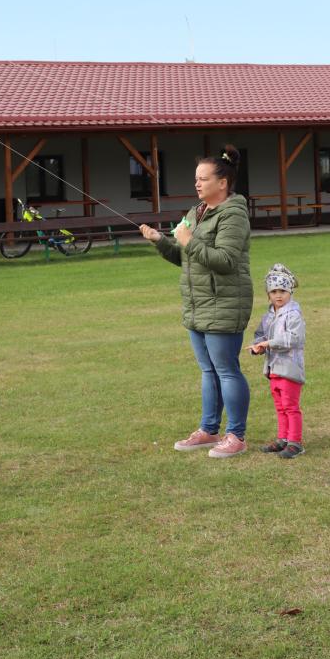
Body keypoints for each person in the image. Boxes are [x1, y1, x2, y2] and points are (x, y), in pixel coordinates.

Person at [139, 145, 254, 459]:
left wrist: (188, 240)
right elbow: (185, 257)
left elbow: (226, 261)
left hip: (224, 303)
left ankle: (236, 436)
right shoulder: (196, 212)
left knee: (226, 370)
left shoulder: (234, 214)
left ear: (223, 183)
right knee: (208, 371)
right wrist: (161, 242)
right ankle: (208, 430)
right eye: (196, 179)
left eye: (204, 179)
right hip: (197, 304)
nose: (197, 184)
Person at [248, 263, 306, 459]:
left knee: (290, 407)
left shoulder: (294, 314)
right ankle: (283, 439)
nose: (278, 295)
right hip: (273, 369)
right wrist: (258, 347)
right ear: (268, 294)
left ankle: (295, 443)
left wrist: (269, 343)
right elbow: (260, 335)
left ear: (290, 292)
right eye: (274, 291)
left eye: (283, 291)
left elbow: (294, 339)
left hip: (289, 368)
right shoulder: (268, 316)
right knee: (280, 407)